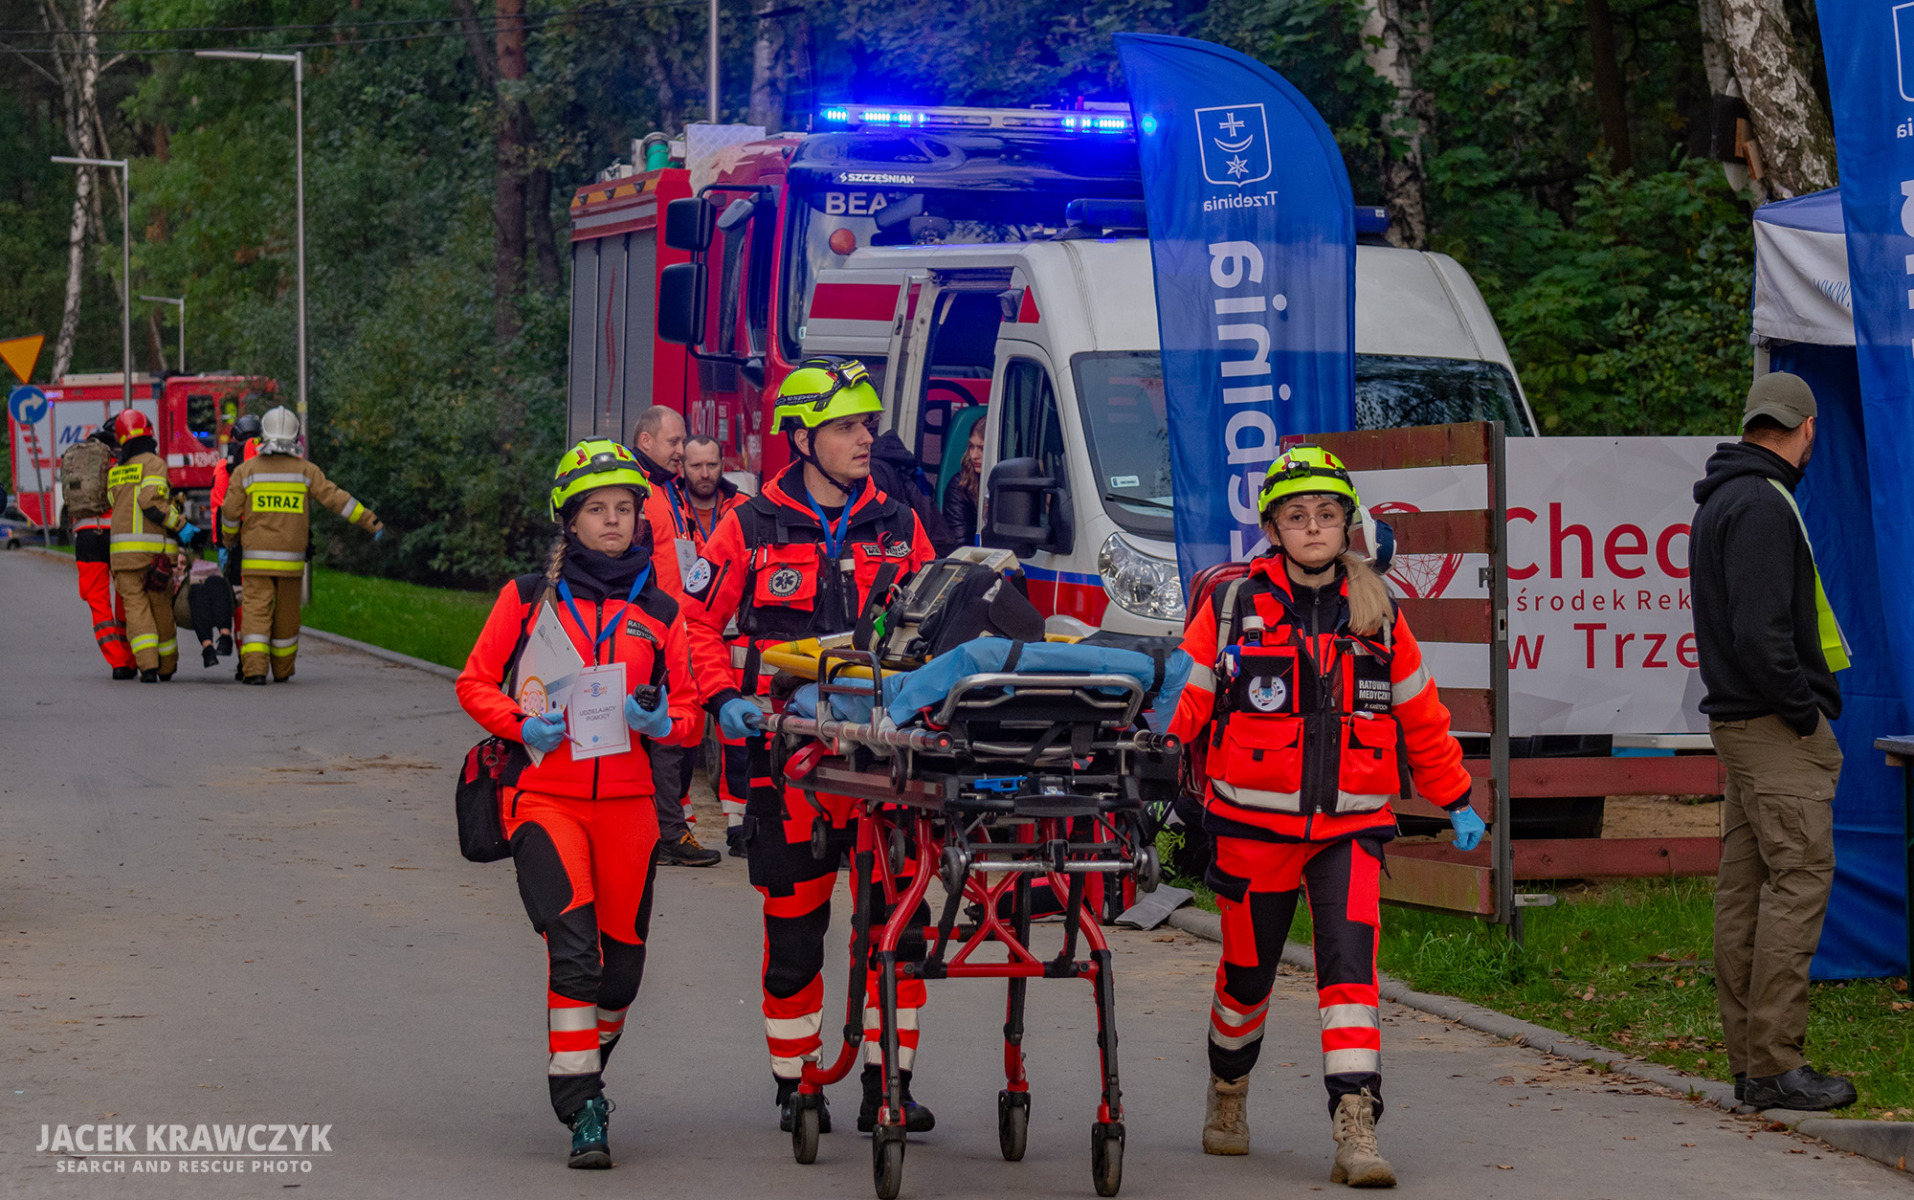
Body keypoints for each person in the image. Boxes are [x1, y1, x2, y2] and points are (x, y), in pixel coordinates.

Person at [1166, 446, 1478, 1188]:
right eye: (1298, 516)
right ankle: (1229, 1090)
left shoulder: (1378, 615)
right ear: (1274, 529)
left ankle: (1356, 1126)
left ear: (1348, 525)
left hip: (1350, 831)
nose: (1314, 527)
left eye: (1327, 515)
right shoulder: (1233, 606)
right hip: (1248, 829)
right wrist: (1143, 763)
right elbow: (1186, 701)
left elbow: (1422, 718)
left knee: (1351, 977)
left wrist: (1456, 797)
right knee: (1247, 980)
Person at [681, 356, 937, 1135]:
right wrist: (723, 696)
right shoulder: (749, 525)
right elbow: (696, 624)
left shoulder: (899, 522)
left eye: (867, 426)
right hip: (789, 764)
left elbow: (937, 625)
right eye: (847, 427)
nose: (865, 440)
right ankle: (798, 1084)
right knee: (795, 934)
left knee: (897, 925)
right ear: (802, 437)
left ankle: (886, 1082)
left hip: (883, 761)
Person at [456, 438, 703, 1168]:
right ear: (568, 519)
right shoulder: (526, 597)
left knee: (620, 971)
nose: (613, 521)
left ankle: (581, 1061)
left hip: (629, 809)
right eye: (597, 509)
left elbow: (690, 714)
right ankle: (583, 1107)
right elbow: (474, 683)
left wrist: (664, 725)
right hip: (544, 801)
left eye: (624, 509)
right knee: (574, 955)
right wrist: (520, 725)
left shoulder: (662, 611)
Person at [1689, 372, 1856, 1113]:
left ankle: (1753, 1063)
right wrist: (1803, 714)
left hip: (1742, 727)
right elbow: (1762, 636)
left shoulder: (1727, 496)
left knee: (1746, 892)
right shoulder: (1762, 503)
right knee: (1797, 885)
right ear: (1808, 428)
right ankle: (1776, 1063)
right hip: (1773, 728)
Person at [219, 406, 382, 685]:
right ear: (295, 436)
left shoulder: (246, 472)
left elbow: (230, 514)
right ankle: (282, 670)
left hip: (256, 560)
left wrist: (229, 541)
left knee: (256, 613)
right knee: (286, 616)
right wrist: (372, 521)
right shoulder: (306, 471)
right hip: (291, 562)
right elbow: (337, 500)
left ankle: (255, 671)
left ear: (264, 435)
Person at [626, 404, 718, 867]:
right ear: (647, 443)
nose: (682, 450)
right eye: (674, 442)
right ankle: (666, 833)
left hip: (678, 629)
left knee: (679, 728)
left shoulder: (669, 491)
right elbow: (630, 565)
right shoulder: (639, 493)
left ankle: (663, 828)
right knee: (664, 735)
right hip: (650, 630)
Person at [674, 434, 754, 857]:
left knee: (738, 737)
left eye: (711, 465)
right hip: (682, 630)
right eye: (695, 466)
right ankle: (678, 825)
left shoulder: (743, 511)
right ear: (681, 467)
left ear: (723, 464)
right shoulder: (669, 507)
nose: (704, 474)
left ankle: (739, 825)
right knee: (682, 734)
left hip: (735, 635)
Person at [107, 408, 196, 682]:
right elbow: (151, 503)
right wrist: (182, 525)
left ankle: (147, 666)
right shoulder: (154, 464)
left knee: (135, 610)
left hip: (121, 557)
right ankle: (166, 666)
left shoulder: (116, 471)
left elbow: (114, 504)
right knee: (160, 608)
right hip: (151, 556)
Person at [60, 423, 136, 678]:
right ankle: (133, 656)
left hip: (86, 537)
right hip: (117, 536)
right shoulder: (119, 464)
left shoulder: (78, 463)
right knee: (126, 594)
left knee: (98, 603)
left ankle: (118, 663)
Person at [171, 549, 236, 669]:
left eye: (183, 564)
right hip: (185, 609)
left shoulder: (192, 574)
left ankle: (225, 636)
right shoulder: (169, 581)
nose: (179, 567)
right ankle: (207, 647)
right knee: (197, 591)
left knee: (215, 581)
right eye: (176, 564)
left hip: (212, 605)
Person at [940, 420, 983, 545]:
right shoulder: (960, 486)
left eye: (981, 448)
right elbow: (960, 543)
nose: (974, 455)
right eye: (971, 447)